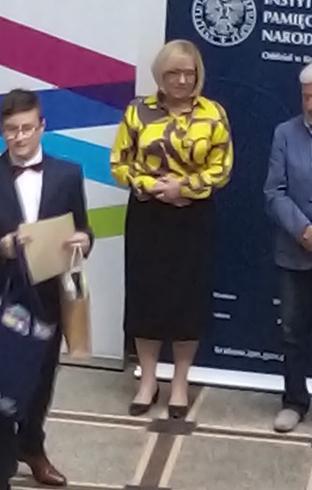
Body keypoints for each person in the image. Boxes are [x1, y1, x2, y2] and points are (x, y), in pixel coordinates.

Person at [0, 88, 92, 490]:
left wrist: (84, 241)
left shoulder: (68, 175)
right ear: (2, 130)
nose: (19, 137)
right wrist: (0, 246)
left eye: (27, 128)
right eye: (11, 129)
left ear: (42, 127)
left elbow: (83, 228)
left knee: (40, 384)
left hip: (48, 297)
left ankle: (32, 448)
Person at [111, 39, 233, 418]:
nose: (181, 80)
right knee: (145, 296)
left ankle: (180, 382)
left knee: (187, 299)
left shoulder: (213, 114)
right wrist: (153, 186)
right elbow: (119, 163)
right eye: (173, 73)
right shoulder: (138, 111)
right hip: (148, 215)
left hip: (193, 218)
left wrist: (184, 187)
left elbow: (222, 167)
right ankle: (148, 380)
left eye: (189, 73)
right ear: (159, 76)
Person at [264, 63, 312, 433]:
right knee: (292, 332)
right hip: (295, 249)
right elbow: (274, 192)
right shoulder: (285, 133)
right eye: (307, 97)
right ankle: (295, 401)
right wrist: (303, 229)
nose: (311, 104)